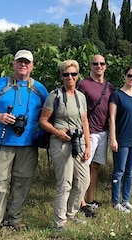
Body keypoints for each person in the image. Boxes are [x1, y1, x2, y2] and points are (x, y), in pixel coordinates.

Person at [0, 50, 48, 239]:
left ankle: (14, 217)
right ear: (14, 64)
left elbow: (49, 112)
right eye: (20, 61)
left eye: (27, 62)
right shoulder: (0, 84)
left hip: (28, 144)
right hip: (1, 142)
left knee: (22, 182)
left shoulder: (39, 89)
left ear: (32, 65)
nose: (23, 65)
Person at [39, 60, 91, 232]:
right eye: (66, 74)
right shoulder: (55, 96)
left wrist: (88, 146)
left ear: (77, 76)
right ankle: (59, 223)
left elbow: (85, 122)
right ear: (61, 76)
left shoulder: (81, 96)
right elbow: (43, 121)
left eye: (73, 74)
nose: (70, 77)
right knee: (65, 183)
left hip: (79, 142)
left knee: (84, 181)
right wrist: (57, 132)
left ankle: (71, 212)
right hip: (60, 141)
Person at [77, 55, 114, 218]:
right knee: (84, 166)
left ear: (105, 66)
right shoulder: (83, 84)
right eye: (95, 63)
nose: (99, 66)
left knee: (95, 166)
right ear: (90, 66)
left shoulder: (110, 86)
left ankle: (90, 199)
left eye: (102, 64)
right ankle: (81, 202)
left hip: (103, 131)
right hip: (89, 131)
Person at [109, 66, 132, 213]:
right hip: (122, 138)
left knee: (130, 171)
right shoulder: (116, 95)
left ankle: (126, 200)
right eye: (129, 76)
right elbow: (111, 118)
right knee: (119, 171)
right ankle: (116, 201)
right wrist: (113, 138)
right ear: (124, 76)